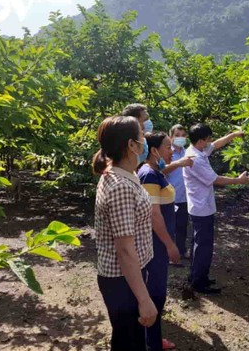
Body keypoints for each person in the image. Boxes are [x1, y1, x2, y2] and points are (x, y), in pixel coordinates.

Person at [93, 116, 157, 351]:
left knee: (126, 340)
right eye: (142, 135)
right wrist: (144, 299)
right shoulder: (120, 186)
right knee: (131, 342)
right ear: (131, 145)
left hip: (130, 276)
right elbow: (125, 250)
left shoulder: (123, 175)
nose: (145, 140)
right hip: (123, 280)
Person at [183, 123, 249, 294]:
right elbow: (216, 179)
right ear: (201, 141)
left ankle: (196, 276)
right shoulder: (195, 159)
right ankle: (199, 282)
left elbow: (217, 144)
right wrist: (239, 181)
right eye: (207, 140)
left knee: (198, 243)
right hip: (202, 208)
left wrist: (234, 135)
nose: (210, 142)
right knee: (203, 246)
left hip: (199, 205)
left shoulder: (197, 149)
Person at [138, 132, 182, 351]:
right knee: (155, 293)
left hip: (159, 243)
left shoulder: (156, 172)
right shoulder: (149, 175)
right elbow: (154, 215)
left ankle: (152, 339)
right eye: (167, 146)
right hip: (155, 244)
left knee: (157, 292)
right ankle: (151, 342)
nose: (172, 150)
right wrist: (170, 244)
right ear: (154, 150)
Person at [164, 124, 190, 260]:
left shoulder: (187, 152)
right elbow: (162, 169)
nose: (180, 138)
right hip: (170, 196)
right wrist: (178, 163)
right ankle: (169, 253)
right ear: (171, 137)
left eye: (183, 135)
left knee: (182, 226)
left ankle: (181, 250)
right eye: (177, 135)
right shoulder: (169, 153)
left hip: (184, 196)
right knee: (169, 227)